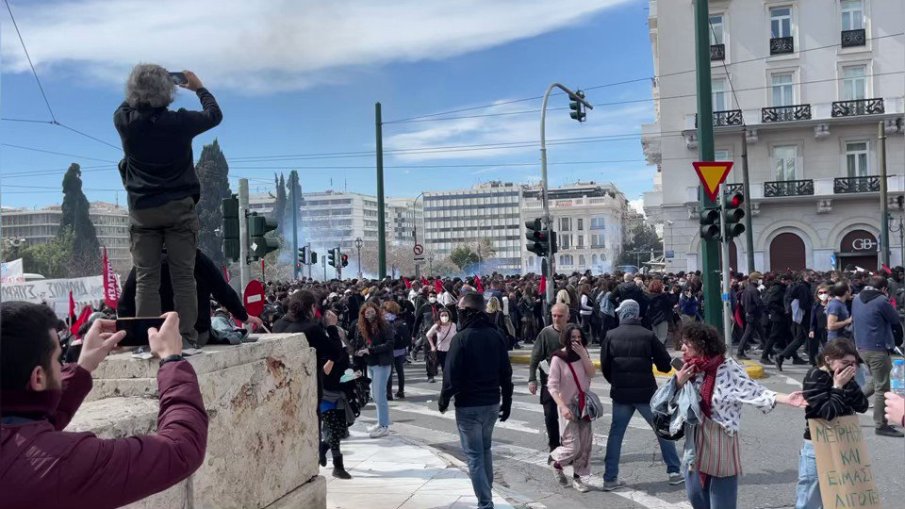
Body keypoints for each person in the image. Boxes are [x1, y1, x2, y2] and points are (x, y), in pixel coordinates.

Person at [0, 304, 208, 508]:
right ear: (38, 377)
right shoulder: (65, 463)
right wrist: (171, 359)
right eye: (58, 360)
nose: (62, 366)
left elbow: (25, 425)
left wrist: (83, 368)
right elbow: (181, 449)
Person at [114, 65, 223, 346]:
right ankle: (184, 337)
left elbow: (127, 105)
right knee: (183, 276)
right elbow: (214, 115)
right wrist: (199, 87)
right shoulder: (180, 123)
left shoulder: (125, 121)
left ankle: (149, 339)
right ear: (169, 92)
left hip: (142, 211)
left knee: (146, 278)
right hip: (179, 210)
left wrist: (142, 86)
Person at [674, 322, 806, 509]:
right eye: (682, 342)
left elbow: (755, 391)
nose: (682, 348)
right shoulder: (690, 370)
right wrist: (679, 383)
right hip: (694, 442)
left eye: (687, 343)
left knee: (722, 502)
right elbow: (668, 402)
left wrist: (786, 398)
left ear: (702, 344)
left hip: (721, 440)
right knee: (696, 497)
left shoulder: (728, 368)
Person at [438, 293, 513, 509]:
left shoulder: (461, 338)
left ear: (467, 312)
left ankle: (485, 503)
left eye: (460, 311)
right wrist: (506, 402)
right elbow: (505, 373)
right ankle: (486, 496)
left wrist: (444, 400)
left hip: (469, 405)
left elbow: (450, 376)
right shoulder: (496, 334)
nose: (458, 314)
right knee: (485, 450)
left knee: (474, 456)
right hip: (491, 403)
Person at [600, 299, 681, 491]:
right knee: (662, 430)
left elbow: (605, 367)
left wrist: (617, 382)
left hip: (621, 394)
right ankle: (674, 472)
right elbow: (664, 364)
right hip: (646, 393)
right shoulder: (647, 335)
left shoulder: (611, 335)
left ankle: (610, 478)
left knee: (616, 435)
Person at [118, 249, 263, 348]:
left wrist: (128, 336)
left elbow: (124, 305)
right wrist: (244, 317)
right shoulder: (198, 259)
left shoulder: (144, 264)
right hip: (196, 336)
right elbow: (223, 291)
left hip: (153, 337)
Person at [272, 291, 349, 473]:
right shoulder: (311, 328)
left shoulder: (278, 325)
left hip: (282, 387)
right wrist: (331, 327)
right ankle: (308, 472)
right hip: (308, 388)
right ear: (312, 308)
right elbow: (335, 353)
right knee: (308, 434)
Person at [796, 340, 868, 509]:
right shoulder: (815, 376)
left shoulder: (846, 378)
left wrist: (849, 383)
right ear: (828, 360)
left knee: (839, 496)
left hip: (843, 442)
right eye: (845, 363)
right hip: (817, 445)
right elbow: (828, 413)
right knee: (810, 498)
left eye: (853, 364)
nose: (850, 368)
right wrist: (838, 387)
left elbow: (862, 405)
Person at [851, 275, 904, 437]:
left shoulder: (857, 298)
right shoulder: (881, 301)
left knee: (875, 380)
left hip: (861, 346)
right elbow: (895, 319)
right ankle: (881, 424)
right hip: (877, 348)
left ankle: (850, 403)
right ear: (884, 289)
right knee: (882, 387)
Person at [546, 325, 596, 493]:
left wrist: (583, 355)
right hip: (567, 406)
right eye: (572, 337)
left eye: (579, 337)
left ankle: (578, 478)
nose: (576, 340)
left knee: (584, 446)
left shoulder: (583, 353)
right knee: (572, 446)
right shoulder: (558, 358)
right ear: (566, 338)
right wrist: (562, 406)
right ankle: (556, 461)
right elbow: (552, 386)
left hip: (584, 406)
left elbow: (591, 374)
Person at [528, 303, 572, 457]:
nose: (557, 318)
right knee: (551, 415)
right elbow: (535, 357)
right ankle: (554, 446)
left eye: (560, 316)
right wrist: (532, 379)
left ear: (567, 316)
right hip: (550, 382)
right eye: (554, 315)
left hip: (570, 383)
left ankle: (568, 446)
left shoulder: (573, 333)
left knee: (570, 417)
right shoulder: (545, 333)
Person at [353, 303, 395, 438]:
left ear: (376, 312)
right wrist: (360, 351)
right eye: (367, 313)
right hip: (370, 363)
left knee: (379, 395)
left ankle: (384, 426)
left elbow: (389, 343)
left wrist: (370, 350)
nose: (369, 315)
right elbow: (361, 343)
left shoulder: (384, 325)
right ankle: (381, 422)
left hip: (382, 363)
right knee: (375, 395)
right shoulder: (363, 327)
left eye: (371, 312)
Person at [383, 300, 411, 401]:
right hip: (400, 350)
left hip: (389, 350)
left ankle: (389, 393)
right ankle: (401, 391)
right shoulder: (401, 321)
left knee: (389, 373)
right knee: (400, 371)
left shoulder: (384, 321)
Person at [737, 271, 765, 359]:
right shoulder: (754, 290)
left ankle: (768, 350)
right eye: (759, 279)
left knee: (761, 333)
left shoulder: (747, 289)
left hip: (749, 314)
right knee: (747, 334)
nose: (761, 280)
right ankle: (740, 352)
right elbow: (758, 303)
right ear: (755, 280)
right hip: (754, 315)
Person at [426, 308, 457, 383]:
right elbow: (428, 335)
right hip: (440, 350)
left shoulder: (453, 325)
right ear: (439, 316)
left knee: (448, 368)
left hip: (450, 350)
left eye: (446, 315)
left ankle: (447, 382)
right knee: (437, 365)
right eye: (442, 315)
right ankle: (431, 376)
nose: (444, 317)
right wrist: (432, 346)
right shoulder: (437, 326)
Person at [806, 284, 830, 366]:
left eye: (825, 292)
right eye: (820, 293)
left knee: (827, 349)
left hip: (828, 330)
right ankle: (814, 364)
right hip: (817, 329)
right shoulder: (816, 306)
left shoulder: (832, 305)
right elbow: (813, 319)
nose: (823, 294)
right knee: (813, 348)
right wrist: (811, 329)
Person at [646, 279, 673, 346]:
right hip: (662, 319)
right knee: (662, 337)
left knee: (654, 337)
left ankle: (655, 352)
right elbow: (671, 304)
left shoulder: (647, 297)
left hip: (651, 319)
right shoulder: (664, 296)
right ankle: (660, 352)